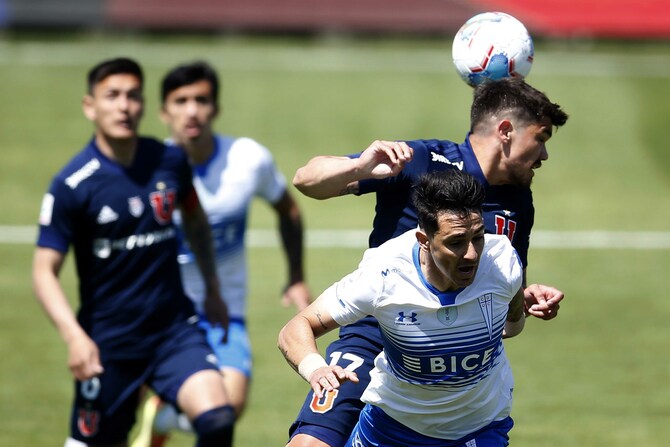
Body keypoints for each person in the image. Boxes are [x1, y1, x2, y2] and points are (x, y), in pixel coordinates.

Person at [287, 77, 568, 447]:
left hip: (441, 352)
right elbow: (306, 180)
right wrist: (361, 167)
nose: (544, 155)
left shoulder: (518, 203)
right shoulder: (421, 161)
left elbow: (502, 287)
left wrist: (525, 297)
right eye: (542, 137)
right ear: (506, 131)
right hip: (374, 332)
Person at [32, 57, 235, 447]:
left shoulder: (170, 160)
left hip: (174, 333)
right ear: (90, 106)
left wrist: (212, 288)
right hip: (109, 345)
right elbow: (44, 271)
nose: (124, 106)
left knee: (218, 419)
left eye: (132, 96)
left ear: (143, 105)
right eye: (112, 96)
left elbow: (194, 220)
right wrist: (74, 337)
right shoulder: (72, 186)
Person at [279, 169, 534, 447]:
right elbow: (296, 328)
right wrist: (316, 369)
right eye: (456, 242)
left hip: (478, 429)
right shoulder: (384, 274)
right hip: (391, 429)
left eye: (478, 237)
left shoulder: (502, 262)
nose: (472, 254)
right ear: (424, 241)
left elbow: (513, 316)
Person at [131, 61, 312, 447]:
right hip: (161, 313)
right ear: (163, 112)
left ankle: (161, 420)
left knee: (227, 410)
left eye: (201, 100)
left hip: (224, 310)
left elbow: (289, 210)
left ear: (216, 108)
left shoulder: (248, 159)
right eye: (180, 101)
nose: (192, 110)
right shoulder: (145, 168)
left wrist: (295, 276)